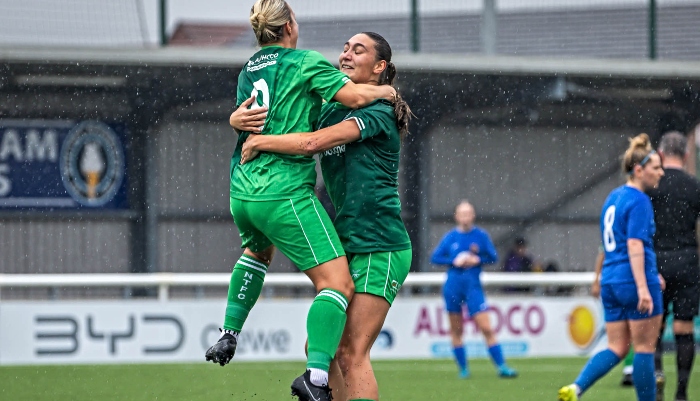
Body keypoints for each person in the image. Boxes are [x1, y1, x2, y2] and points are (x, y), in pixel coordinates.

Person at [204, 2, 395, 401]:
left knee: (257, 252)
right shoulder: (306, 63)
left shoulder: (249, 69)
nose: (345, 53)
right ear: (290, 24)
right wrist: (388, 90)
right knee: (336, 288)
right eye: (346, 47)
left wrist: (236, 124)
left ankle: (228, 332)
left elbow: (260, 118)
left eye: (357, 49)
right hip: (283, 190)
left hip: (243, 189)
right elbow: (346, 106)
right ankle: (316, 381)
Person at [558, 133, 665, 401]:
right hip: (632, 280)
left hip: (611, 281)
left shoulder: (613, 198)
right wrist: (643, 286)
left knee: (616, 347)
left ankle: (577, 387)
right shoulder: (640, 201)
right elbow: (634, 246)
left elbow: (609, 246)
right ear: (639, 170)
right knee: (644, 348)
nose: (661, 173)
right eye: (656, 168)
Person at [430, 200, 518, 379]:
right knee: (456, 330)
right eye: (462, 214)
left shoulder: (480, 236)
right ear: (456, 216)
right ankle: (463, 369)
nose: (465, 217)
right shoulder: (450, 237)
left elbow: (493, 256)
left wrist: (476, 259)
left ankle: (502, 367)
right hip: (453, 286)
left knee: (486, 327)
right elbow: (435, 257)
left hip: (473, 287)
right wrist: (454, 261)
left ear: (473, 215)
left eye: (468, 213)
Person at [647, 131, 700, 401]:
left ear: (660, 153)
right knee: (684, 328)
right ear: (687, 155)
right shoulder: (694, 186)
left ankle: (657, 374)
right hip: (688, 260)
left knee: (654, 326)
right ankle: (681, 392)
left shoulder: (653, 183)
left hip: (656, 261)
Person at [591, 249, 636, 387]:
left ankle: (578, 386)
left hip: (610, 282)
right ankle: (632, 370)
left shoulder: (609, 227)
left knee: (616, 342)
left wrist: (597, 280)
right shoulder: (631, 229)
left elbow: (602, 252)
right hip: (629, 280)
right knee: (634, 333)